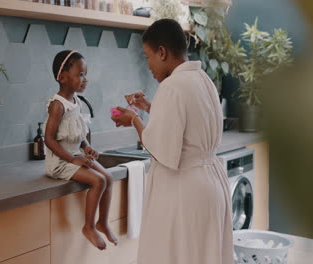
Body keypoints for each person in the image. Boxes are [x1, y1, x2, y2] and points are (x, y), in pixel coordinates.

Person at [112, 19, 234, 264]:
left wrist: (134, 119)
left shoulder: (172, 86)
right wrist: (149, 107)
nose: (148, 65)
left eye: (148, 57)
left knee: (176, 256)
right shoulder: (203, 79)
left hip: (185, 190)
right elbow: (188, 122)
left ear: (162, 52)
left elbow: (162, 150)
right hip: (211, 184)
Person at [44, 50, 118, 250]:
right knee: (98, 180)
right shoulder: (57, 106)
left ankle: (102, 222)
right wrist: (72, 159)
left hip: (74, 156)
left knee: (108, 178)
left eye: (85, 74)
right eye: (81, 74)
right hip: (60, 162)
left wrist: (87, 147)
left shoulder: (75, 101)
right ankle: (89, 226)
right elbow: (49, 139)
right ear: (62, 77)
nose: (85, 79)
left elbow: (78, 132)